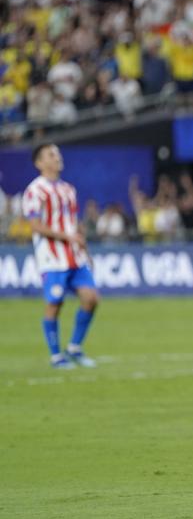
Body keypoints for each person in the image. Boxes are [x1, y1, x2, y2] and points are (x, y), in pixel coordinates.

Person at [22, 144, 99, 369]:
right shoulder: (35, 191)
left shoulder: (68, 189)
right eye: (51, 155)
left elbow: (73, 224)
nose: (57, 158)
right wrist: (66, 236)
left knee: (91, 298)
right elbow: (35, 226)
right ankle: (56, 356)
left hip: (74, 256)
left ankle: (74, 347)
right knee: (55, 304)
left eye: (57, 154)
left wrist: (85, 249)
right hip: (52, 258)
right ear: (39, 163)